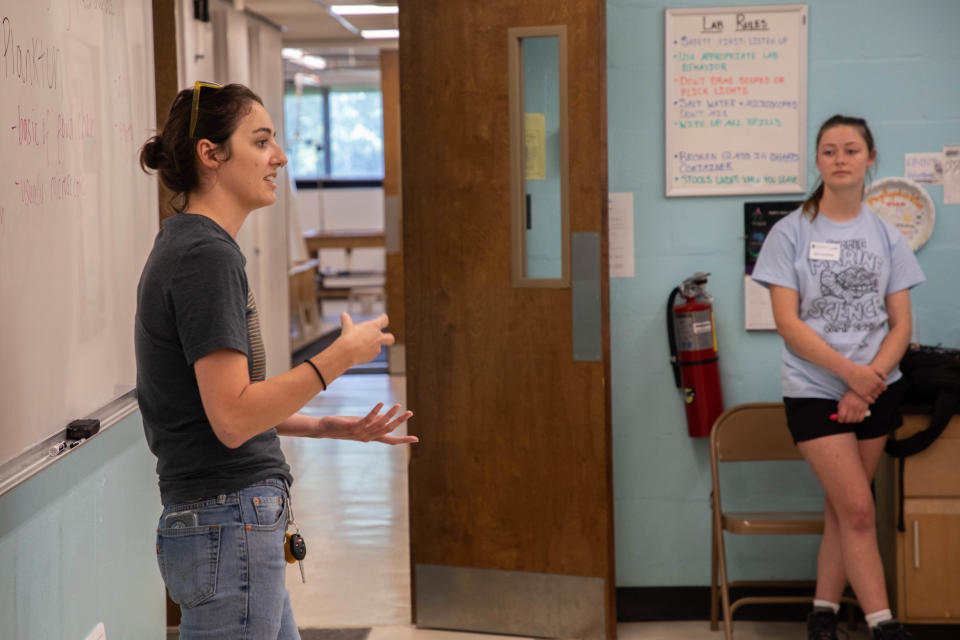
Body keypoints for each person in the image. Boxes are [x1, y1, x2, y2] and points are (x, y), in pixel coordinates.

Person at [136, 82, 417, 640]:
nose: (279, 157)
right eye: (261, 141)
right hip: (227, 517)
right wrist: (337, 359)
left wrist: (327, 425)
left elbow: (215, 404)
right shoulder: (205, 257)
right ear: (210, 154)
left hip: (228, 517)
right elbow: (234, 418)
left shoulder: (194, 247)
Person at [752, 115, 924, 640]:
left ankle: (822, 614)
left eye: (851, 149)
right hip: (815, 389)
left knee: (841, 509)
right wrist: (851, 377)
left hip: (875, 389)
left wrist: (866, 382)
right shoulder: (790, 233)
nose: (840, 159)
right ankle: (883, 625)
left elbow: (901, 325)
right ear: (818, 160)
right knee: (857, 507)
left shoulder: (886, 236)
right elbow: (787, 323)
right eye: (829, 151)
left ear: (871, 157)